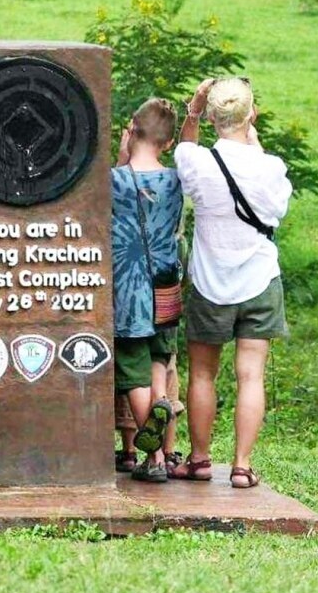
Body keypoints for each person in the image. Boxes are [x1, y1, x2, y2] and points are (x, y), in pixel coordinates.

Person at [171, 78, 292, 488]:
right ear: (251, 115)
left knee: (202, 375)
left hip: (209, 282)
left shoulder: (198, 162)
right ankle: (241, 466)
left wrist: (192, 111)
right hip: (259, 279)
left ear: (211, 116)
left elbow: (185, 147)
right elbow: (274, 213)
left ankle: (200, 459)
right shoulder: (270, 167)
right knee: (251, 376)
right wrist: (255, 147)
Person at [111, 99, 184, 483]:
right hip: (166, 282)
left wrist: (123, 159)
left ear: (131, 129)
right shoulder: (175, 180)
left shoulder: (114, 180)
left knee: (133, 373)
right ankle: (161, 410)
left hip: (129, 288)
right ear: (168, 143)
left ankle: (154, 458)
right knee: (158, 361)